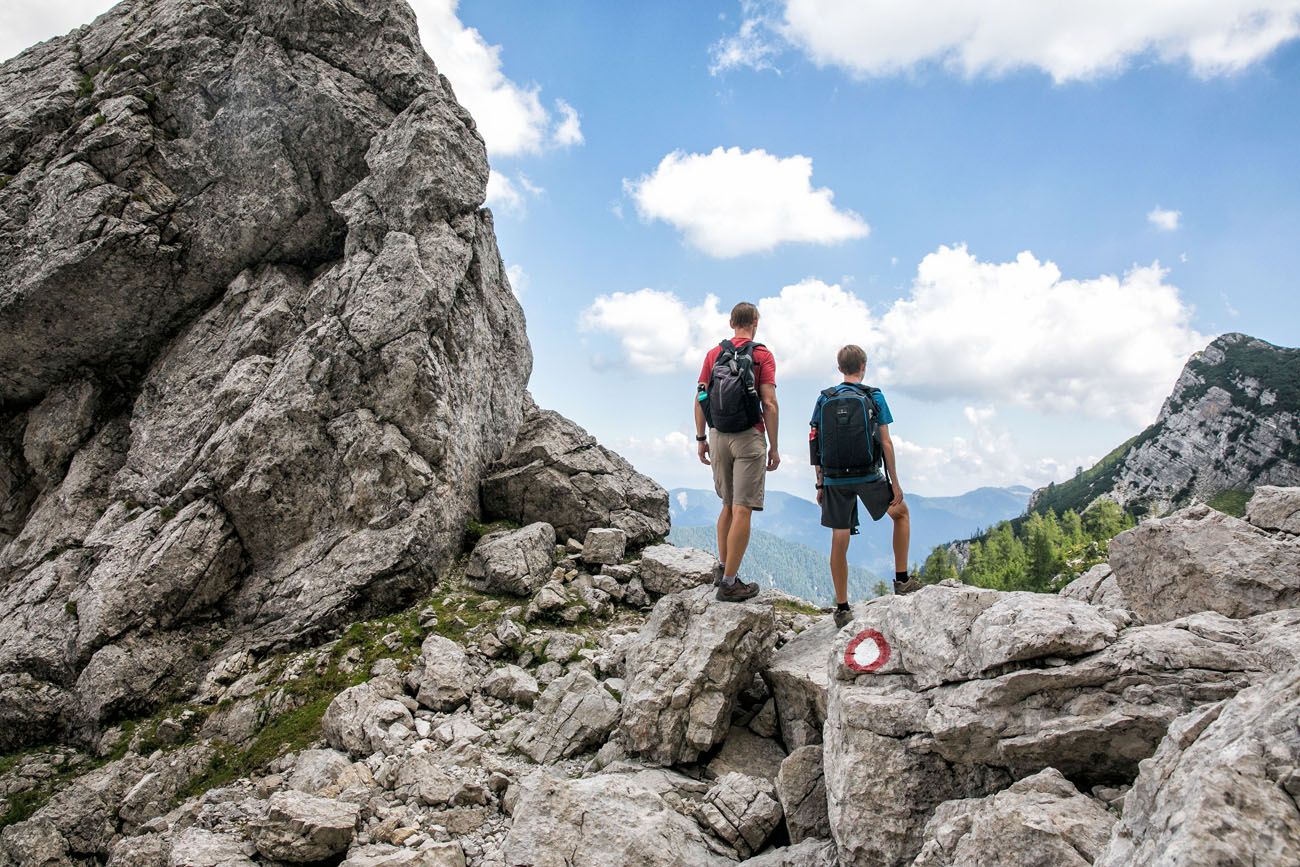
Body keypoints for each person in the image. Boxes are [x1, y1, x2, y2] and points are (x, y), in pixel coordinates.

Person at [809, 345, 919, 627]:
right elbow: (886, 442)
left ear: (839, 368)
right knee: (901, 513)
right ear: (863, 366)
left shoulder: (825, 399)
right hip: (868, 474)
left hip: (834, 477)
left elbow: (814, 441)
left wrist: (820, 482)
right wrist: (895, 482)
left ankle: (842, 607)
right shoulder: (873, 395)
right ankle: (902, 579)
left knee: (839, 537)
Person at [694, 302, 780, 602]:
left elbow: (701, 396)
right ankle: (730, 583)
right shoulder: (761, 355)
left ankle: (723, 568)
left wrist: (701, 438)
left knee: (728, 506)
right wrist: (774, 446)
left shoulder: (713, 354)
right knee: (743, 509)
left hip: (718, 436)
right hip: (748, 437)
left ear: (731, 322)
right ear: (755, 322)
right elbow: (768, 403)